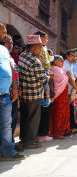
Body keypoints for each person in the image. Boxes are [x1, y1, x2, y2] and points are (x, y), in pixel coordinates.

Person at [0, 23, 26, 161]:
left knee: (6, 125)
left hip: (5, 95)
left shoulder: (4, 51)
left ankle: (7, 153)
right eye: (3, 32)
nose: (5, 34)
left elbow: (11, 70)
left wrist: (15, 88)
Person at [18, 35, 48, 149]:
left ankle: (24, 139)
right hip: (34, 93)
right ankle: (30, 141)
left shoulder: (22, 55)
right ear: (34, 47)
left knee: (25, 118)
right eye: (40, 47)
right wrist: (48, 76)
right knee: (33, 119)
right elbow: (43, 79)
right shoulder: (35, 61)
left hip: (24, 92)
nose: (41, 49)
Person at [49, 55, 71, 139]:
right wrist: (68, 76)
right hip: (59, 94)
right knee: (59, 113)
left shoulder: (60, 69)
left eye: (62, 61)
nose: (62, 62)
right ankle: (57, 132)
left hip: (63, 94)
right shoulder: (55, 69)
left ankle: (63, 130)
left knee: (64, 112)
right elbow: (63, 79)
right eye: (60, 60)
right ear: (55, 61)